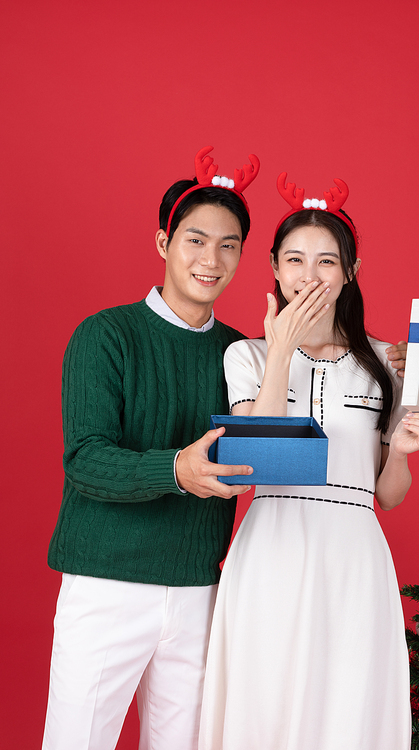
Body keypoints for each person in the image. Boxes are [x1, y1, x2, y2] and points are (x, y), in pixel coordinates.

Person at [198, 173, 419, 750]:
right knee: (266, 700)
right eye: (295, 260)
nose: (310, 276)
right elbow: (256, 460)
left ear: (350, 271)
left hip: (352, 554)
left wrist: (402, 453)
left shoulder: (386, 363)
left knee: (347, 709)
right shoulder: (247, 354)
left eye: (327, 261)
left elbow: (388, 495)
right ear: (275, 269)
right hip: (273, 546)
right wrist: (282, 350)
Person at [41, 146, 260, 750]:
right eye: (195, 240)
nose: (210, 260)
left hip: (198, 588)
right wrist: (176, 469)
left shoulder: (244, 355)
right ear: (163, 243)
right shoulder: (105, 335)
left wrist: (379, 353)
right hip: (107, 581)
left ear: (244, 255)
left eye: (228, 245)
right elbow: (85, 458)